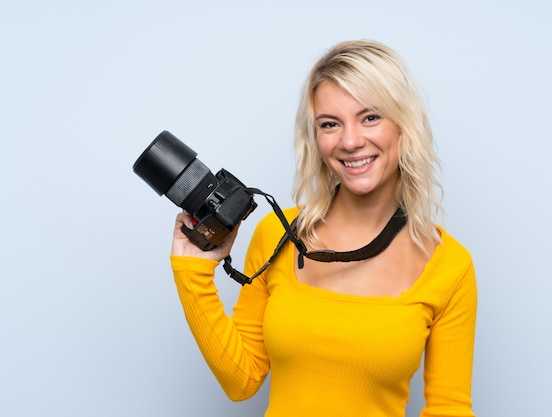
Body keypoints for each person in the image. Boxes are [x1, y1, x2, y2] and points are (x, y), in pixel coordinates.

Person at [170, 40, 477, 417]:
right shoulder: (277, 234)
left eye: (370, 117)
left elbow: (449, 409)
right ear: (315, 138)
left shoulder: (449, 266)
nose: (349, 141)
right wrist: (191, 273)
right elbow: (242, 380)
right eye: (330, 124)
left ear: (404, 125)